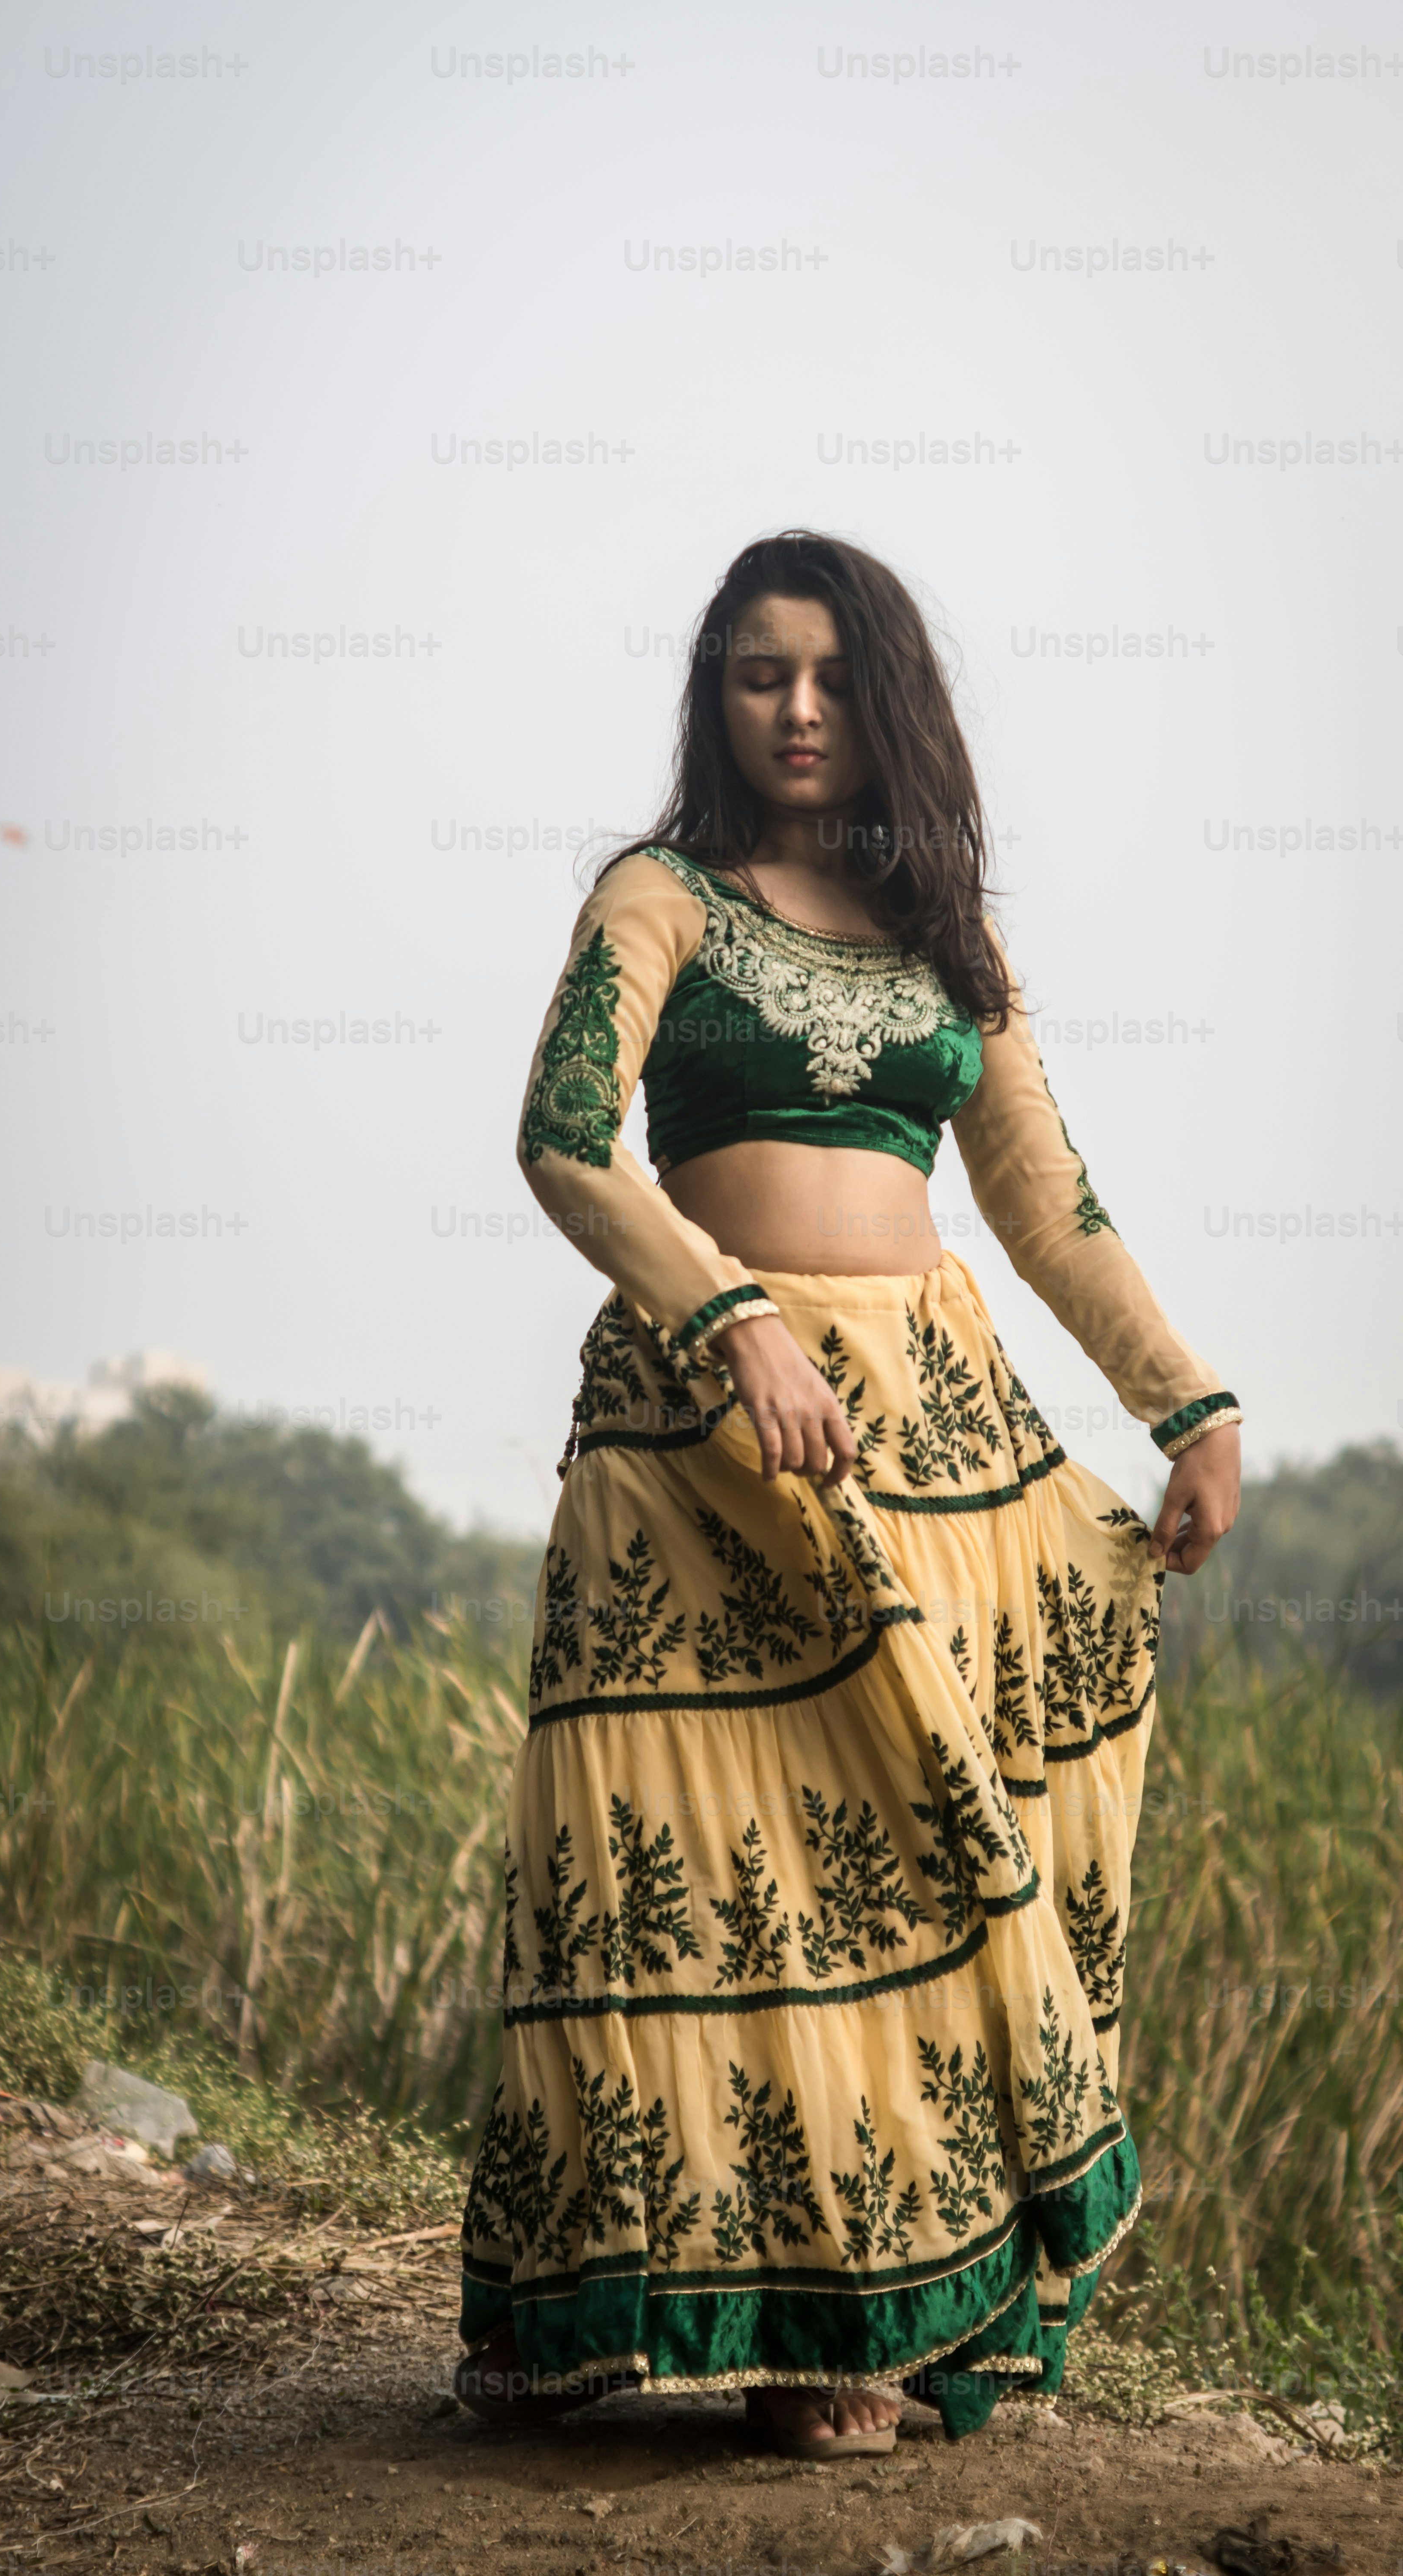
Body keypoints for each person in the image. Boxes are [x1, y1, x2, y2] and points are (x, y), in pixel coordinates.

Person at [456, 531, 1240, 2458]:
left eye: (824, 676)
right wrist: (728, 1317)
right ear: (712, 698)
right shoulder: (660, 897)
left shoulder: (944, 935)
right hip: (700, 1448)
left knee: (894, 1877)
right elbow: (564, 1143)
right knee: (696, 1884)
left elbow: (1045, 1199)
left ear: (884, 697)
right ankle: (606, 2303)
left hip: (931, 1447)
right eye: (752, 675)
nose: (793, 711)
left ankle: (849, 2333)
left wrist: (1186, 1403)